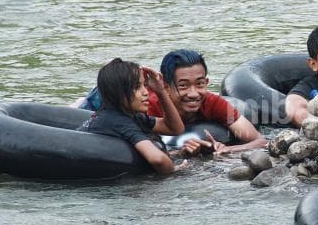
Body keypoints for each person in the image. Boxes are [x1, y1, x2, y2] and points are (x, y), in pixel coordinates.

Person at [76, 49, 266, 156]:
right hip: (103, 101)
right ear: (166, 87)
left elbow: (258, 140)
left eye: (200, 84)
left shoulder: (212, 102)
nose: (193, 94)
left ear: (207, 83)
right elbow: (143, 148)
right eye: (183, 86)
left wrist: (229, 149)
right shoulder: (145, 105)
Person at [77, 58, 185, 175]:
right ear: (118, 91)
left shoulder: (128, 115)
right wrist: (175, 172)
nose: (146, 92)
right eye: (137, 87)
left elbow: (175, 129)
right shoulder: (117, 121)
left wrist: (161, 91)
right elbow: (157, 159)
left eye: (144, 85)